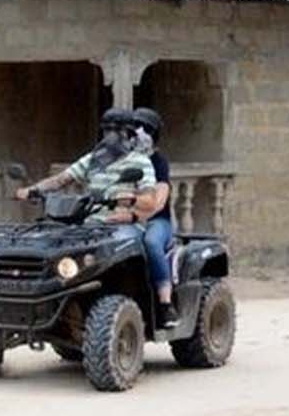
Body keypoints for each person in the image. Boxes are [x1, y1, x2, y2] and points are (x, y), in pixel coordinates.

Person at [14, 108, 157, 227]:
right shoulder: (94, 159)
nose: (111, 135)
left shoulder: (140, 161)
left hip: (124, 225)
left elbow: (150, 202)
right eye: (107, 130)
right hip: (89, 222)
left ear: (128, 133)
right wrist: (33, 189)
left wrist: (131, 199)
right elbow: (61, 179)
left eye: (117, 130)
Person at [131, 106, 178, 327]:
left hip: (156, 221)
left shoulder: (159, 162)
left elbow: (158, 202)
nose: (139, 132)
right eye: (135, 127)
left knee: (150, 242)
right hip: (124, 219)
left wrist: (137, 212)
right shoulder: (123, 159)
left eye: (146, 129)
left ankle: (165, 304)